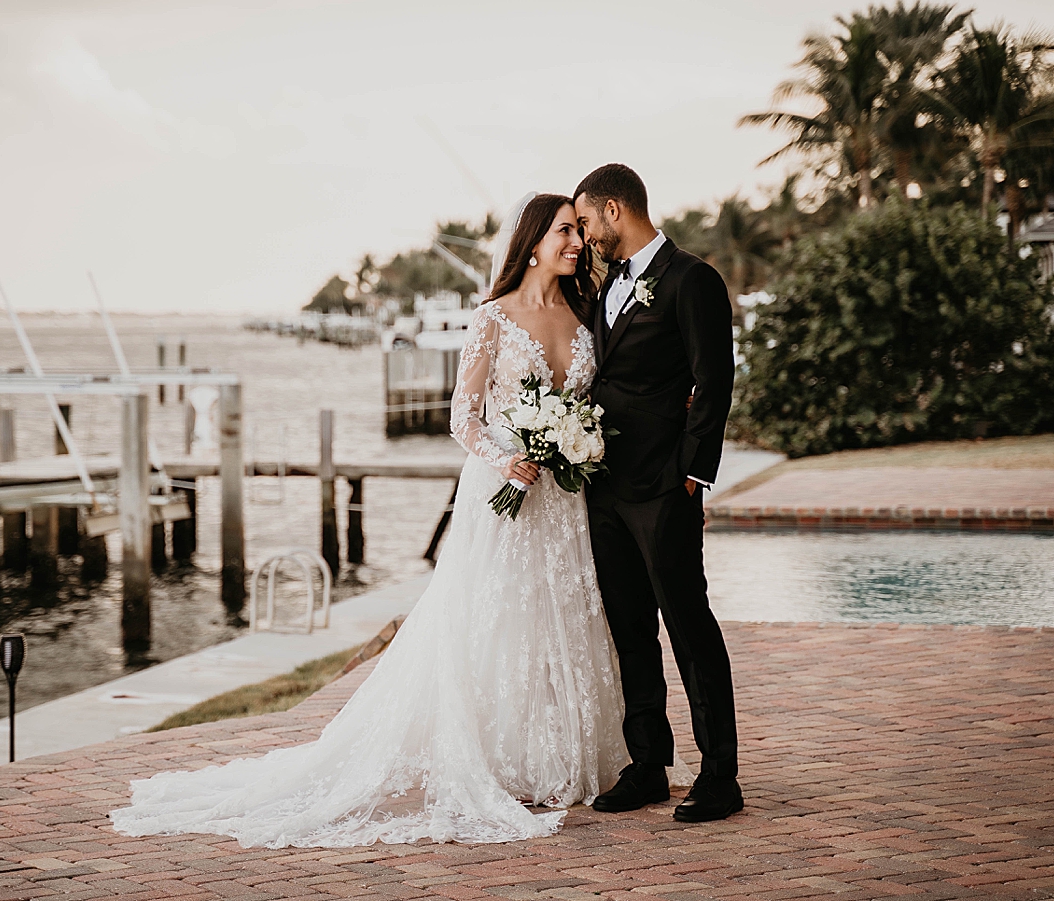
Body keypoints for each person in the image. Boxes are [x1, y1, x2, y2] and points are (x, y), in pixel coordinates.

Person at [108, 193, 692, 848]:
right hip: (505, 490)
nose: (576, 243)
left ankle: (569, 757)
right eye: (564, 232)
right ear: (532, 242)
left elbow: (599, 403)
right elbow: (461, 418)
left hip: (563, 498)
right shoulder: (492, 319)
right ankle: (506, 760)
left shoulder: (587, 317)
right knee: (496, 620)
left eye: (579, 234)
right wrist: (506, 461)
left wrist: (575, 441)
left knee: (568, 618)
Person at [573, 164, 743, 822]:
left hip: (663, 489)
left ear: (615, 209)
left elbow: (714, 380)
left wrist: (691, 474)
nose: (584, 236)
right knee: (630, 628)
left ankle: (720, 775)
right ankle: (648, 763)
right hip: (604, 487)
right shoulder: (606, 283)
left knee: (688, 626)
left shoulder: (690, 279)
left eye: (586, 222)